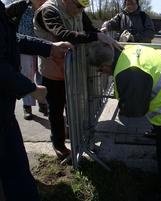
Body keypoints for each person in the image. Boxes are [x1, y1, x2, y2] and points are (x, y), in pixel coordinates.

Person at [89, 42, 161, 201]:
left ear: (106, 64)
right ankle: (157, 131)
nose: (100, 74)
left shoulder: (128, 73)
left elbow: (135, 110)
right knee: (158, 115)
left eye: (100, 70)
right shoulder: (129, 50)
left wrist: (123, 106)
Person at [0, 0, 74, 200]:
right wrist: (31, 89)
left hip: (4, 112)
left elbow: (12, 39)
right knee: (16, 174)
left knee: (16, 171)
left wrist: (49, 47)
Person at [33, 0, 124, 161]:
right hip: (53, 70)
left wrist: (104, 40)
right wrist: (96, 36)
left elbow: (91, 29)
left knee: (76, 104)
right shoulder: (49, 11)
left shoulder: (78, 10)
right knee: (56, 109)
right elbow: (61, 34)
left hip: (73, 68)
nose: (81, 10)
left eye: (84, 7)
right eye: (78, 6)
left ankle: (74, 136)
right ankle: (59, 143)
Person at [6, 0, 48, 120]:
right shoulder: (21, 6)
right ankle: (27, 107)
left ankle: (43, 103)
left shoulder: (46, 9)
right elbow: (4, 15)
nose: (41, 1)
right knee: (27, 76)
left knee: (42, 75)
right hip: (23, 48)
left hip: (41, 47)